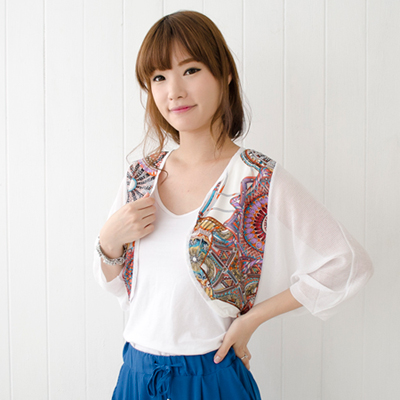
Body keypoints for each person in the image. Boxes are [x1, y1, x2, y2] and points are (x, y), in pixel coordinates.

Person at [93, 10, 373, 400]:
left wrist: (251, 320)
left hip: (211, 377)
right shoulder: (141, 176)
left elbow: (347, 263)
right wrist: (108, 241)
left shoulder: (256, 178)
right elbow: (118, 286)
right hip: (136, 378)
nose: (174, 91)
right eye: (159, 77)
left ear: (224, 74)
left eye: (190, 70)